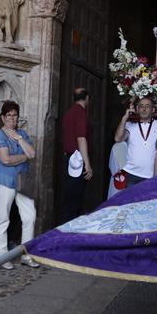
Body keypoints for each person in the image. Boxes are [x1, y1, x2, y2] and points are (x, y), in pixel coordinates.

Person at [0, 101, 39, 269]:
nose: (12, 118)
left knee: (30, 216)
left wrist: (18, 139)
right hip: (4, 181)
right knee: (3, 218)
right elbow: (5, 159)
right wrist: (23, 157)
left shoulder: (22, 134)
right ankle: (2, 256)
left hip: (22, 181)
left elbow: (32, 154)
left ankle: (26, 254)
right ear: (3, 117)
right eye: (9, 115)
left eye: (15, 115)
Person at [59, 88, 93, 224]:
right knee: (74, 200)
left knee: (69, 198)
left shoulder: (69, 113)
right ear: (87, 98)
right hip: (77, 160)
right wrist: (88, 165)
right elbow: (81, 138)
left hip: (69, 159)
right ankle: (69, 234)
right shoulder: (80, 113)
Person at [115, 97, 157, 187]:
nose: (144, 109)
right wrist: (124, 118)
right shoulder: (130, 125)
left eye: (147, 106)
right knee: (131, 201)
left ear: (153, 109)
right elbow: (118, 139)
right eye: (141, 106)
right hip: (132, 174)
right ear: (137, 109)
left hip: (151, 175)